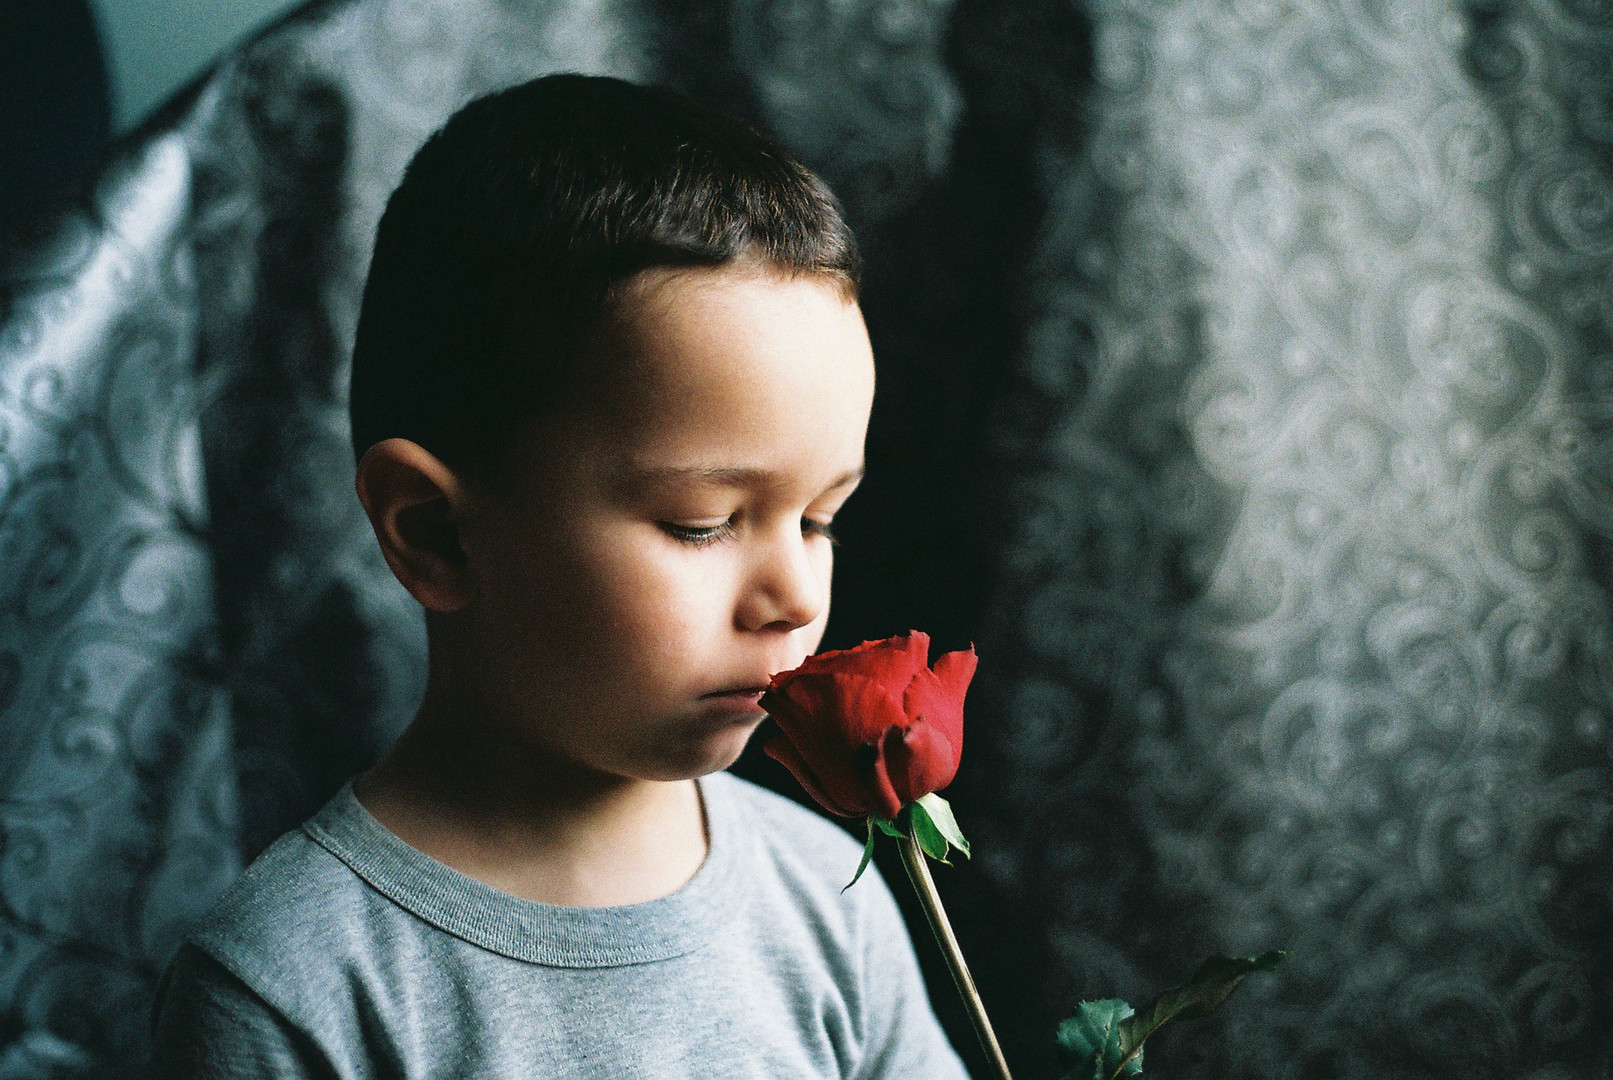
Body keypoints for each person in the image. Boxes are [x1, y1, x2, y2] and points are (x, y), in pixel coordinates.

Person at [147, 73, 969, 1079]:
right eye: (701, 523)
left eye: (818, 519)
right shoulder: (294, 985)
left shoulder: (825, 902)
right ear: (439, 536)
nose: (795, 595)